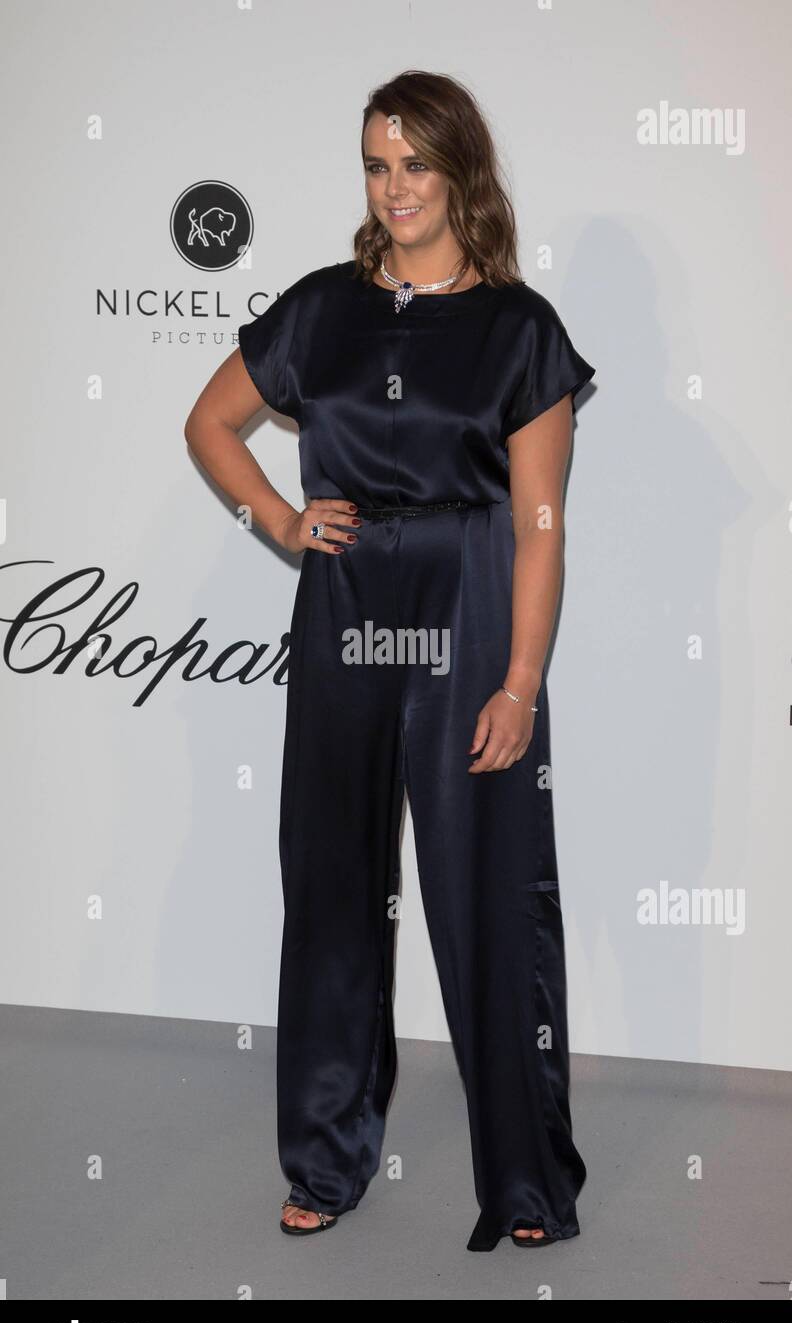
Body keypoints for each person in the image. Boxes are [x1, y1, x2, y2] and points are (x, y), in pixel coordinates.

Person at [184, 69, 595, 1252]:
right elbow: (211, 423)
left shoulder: (522, 330)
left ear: (461, 169)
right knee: (329, 888)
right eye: (376, 163)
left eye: (415, 163)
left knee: (490, 897)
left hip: (470, 611)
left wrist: (518, 682)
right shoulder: (321, 308)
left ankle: (525, 1181)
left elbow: (539, 529)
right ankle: (325, 1154)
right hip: (347, 605)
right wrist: (278, 516)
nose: (395, 187)